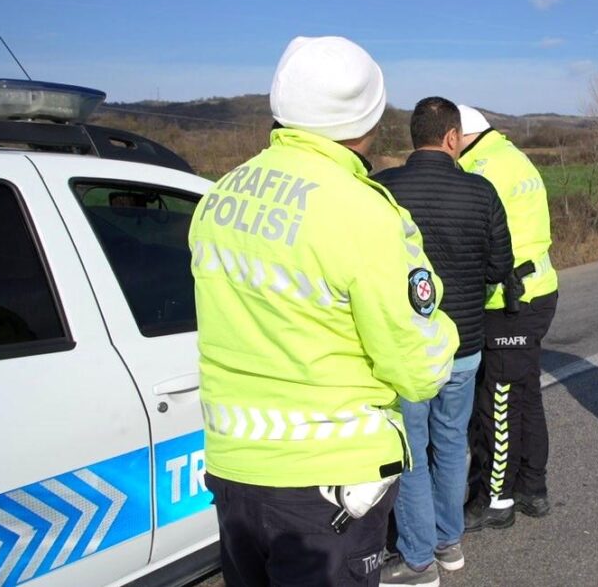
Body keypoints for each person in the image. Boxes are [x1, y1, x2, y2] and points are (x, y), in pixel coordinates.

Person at [189, 36, 459, 586]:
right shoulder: (364, 213)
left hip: (234, 472)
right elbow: (421, 367)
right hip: (329, 488)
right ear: (371, 117)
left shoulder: (219, 197)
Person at [372, 97, 513, 586]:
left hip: (404, 348)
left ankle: (417, 561)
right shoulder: (481, 192)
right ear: (453, 138)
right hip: (464, 344)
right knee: (451, 443)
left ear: (415, 137)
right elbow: (499, 267)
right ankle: (447, 544)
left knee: (411, 450)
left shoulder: (381, 190)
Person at [456, 105, 559, 530]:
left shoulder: (479, 168)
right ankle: (533, 488)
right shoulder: (512, 155)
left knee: (497, 402)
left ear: (459, 135)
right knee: (524, 395)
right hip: (537, 290)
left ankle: (496, 500)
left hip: (508, 300)